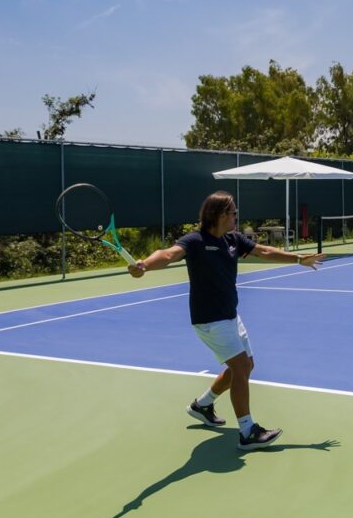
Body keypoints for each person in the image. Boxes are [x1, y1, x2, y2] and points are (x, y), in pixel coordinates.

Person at [129, 191, 326, 450]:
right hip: (210, 320)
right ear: (221, 215)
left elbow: (264, 251)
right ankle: (248, 432)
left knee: (246, 366)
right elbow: (168, 254)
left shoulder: (233, 239)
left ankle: (203, 404)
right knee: (241, 368)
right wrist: (144, 264)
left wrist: (299, 259)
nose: (236, 216)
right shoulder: (195, 240)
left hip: (230, 316)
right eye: (233, 212)